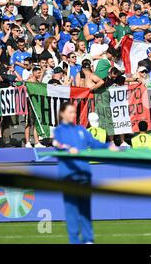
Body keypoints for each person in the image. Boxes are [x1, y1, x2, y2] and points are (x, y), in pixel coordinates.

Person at [53, 102, 117, 244]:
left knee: (85, 211)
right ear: (62, 113)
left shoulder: (81, 130)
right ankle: (75, 241)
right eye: (70, 112)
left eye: (74, 112)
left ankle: (88, 240)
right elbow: (56, 144)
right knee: (72, 213)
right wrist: (68, 148)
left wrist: (108, 146)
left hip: (84, 176)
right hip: (68, 177)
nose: (73, 115)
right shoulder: (58, 131)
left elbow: (94, 144)